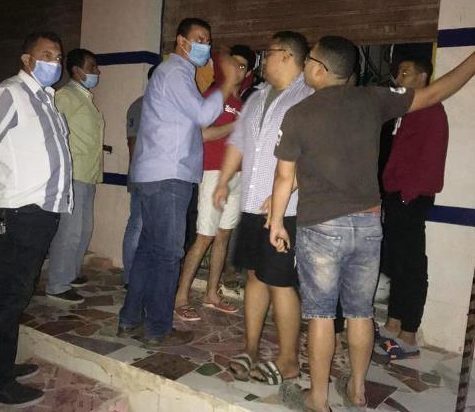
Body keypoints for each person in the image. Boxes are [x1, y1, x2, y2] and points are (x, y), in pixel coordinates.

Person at [270, 37, 475, 412]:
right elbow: (434, 93)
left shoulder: (298, 113)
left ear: (319, 69)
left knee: (320, 315)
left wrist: (275, 222)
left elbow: (285, 177)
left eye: (309, 60)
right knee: (360, 312)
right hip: (367, 224)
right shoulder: (373, 99)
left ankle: (318, 399)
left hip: (320, 226)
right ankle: (357, 391)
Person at [118, 17, 239, 348]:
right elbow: (202, 115)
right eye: (199, 38)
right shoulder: (175, 72)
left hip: (155, 174)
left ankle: (130, 320)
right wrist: (227, 82)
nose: (205, 45)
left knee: (149, 251)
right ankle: (158, 328)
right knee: (168, 254)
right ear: (181, 42)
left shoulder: (174, 74)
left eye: (208, 40)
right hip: (168, 176)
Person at [213, 31, 313, 384]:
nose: (262, 59)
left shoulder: (308, 96)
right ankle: (251, 348)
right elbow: (238, 142)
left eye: (267, 53)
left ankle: (288, 360)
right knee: (254, 276)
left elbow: (314, 153)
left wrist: (285, 192)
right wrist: (224, 180)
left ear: (286, 55)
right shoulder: (256, 97)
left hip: (287, 210)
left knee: (281, 283)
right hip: (252, 204)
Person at [0, 31, 72, 407]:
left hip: (43, 212)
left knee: (17, 294)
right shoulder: (10, 93)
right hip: (20, 212)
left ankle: (4, 365)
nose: (54, 63)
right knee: (8, 297)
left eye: (58, 57)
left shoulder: (47, 100)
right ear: (27, 60)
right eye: (46, 56)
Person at [174, 45, 256, 320]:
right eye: (233, 64)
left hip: (238, 175)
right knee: (204, 237)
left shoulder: (242, 104)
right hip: (213, 172)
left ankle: (211, 294)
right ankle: (181, 297)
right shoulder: (214, 95)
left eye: (242, 66)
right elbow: (203, 134)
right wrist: (236, 126)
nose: (237, 70)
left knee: (223, 236)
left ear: (248, 72)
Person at [376, 58, 449, 359]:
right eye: (399, 72)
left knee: (411, 264)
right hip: (396, 195)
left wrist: (408, 195)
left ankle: (409, 333)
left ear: (423, 76)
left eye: (406, 72)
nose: (399, 77)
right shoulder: (406, 110)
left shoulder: (431, 110)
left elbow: (431, 157)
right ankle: (393, 323)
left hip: (411, 197)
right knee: (395, 261)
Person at [46, 48, 104, 303]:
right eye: (92, 68)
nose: (97, 72)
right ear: (77, 71)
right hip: (73, 173)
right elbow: (53, 133)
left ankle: (71, 272)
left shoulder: (85, 98)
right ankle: (57, 284)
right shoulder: (66, 96)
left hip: (88, 174)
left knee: (84, 229)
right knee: (69, 231)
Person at [122, 65, 157, 287]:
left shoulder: (164, 105)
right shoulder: (140, 106)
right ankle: (130, 278)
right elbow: (133, 144)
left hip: (159, 180)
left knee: (150, 230)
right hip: (143, 178)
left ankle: (143, 277)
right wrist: (139, 178)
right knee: (137, 225)